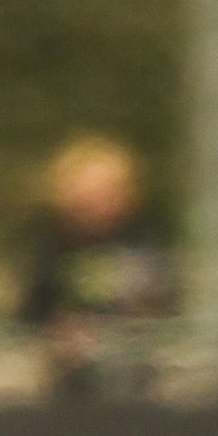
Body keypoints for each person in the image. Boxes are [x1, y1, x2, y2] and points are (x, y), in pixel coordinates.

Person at [16, 134, 174, 399]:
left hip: (134, 370)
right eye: (89, 192)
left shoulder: (141, 239)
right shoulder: (45, 244)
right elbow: (27, 308)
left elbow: (166, 295)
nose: (98, 201)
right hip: (65, 377)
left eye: (109, 191)